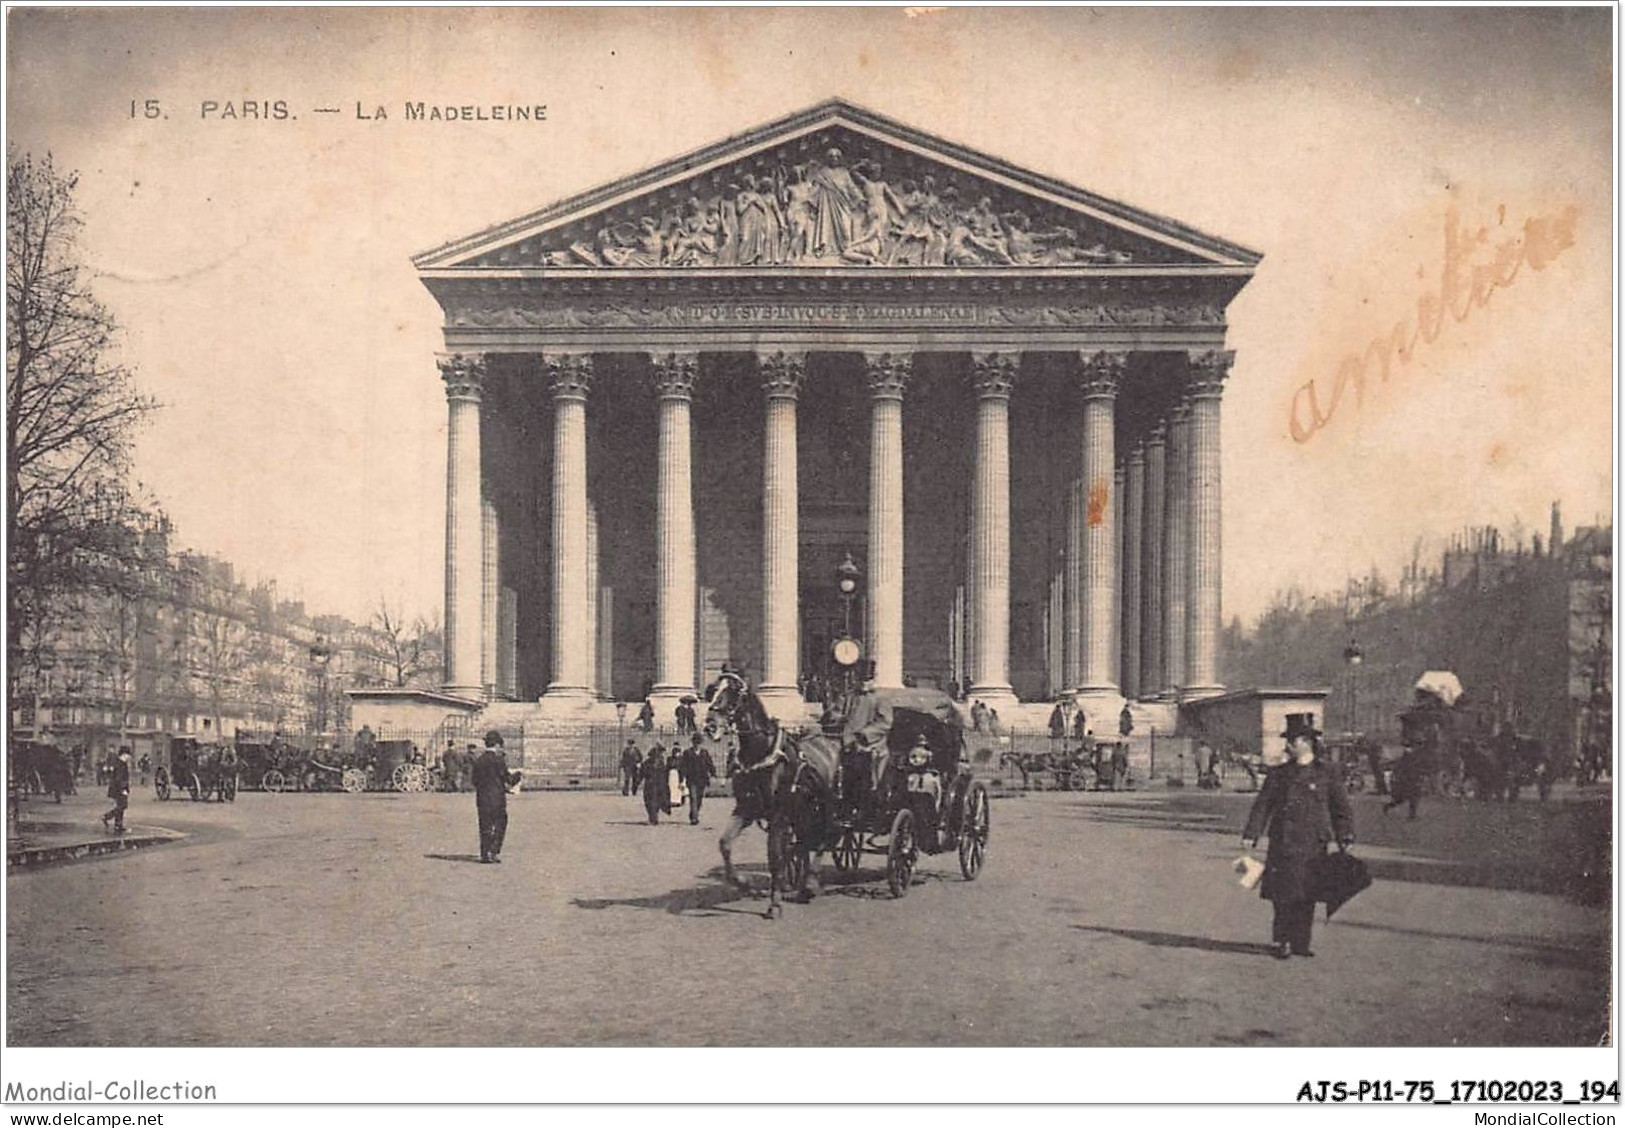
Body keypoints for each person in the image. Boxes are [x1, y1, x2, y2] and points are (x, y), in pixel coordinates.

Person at [1242, 714, 1354, 959]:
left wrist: (1344, 834)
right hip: (1283, 841)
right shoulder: (1279, 774)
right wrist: (1252, 833)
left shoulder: (1327, 773)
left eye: (1291, 741)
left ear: (1305, 741)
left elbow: (1340, 808)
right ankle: (1282, 940)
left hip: (1314, 843)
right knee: (1283, 895)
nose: (1287, 746)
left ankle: (1301, 942)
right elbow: (1263, 805)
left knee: (1308, 894)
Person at [471, 730, 520, 863]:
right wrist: (518, 775)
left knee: (484, 825)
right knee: (500, 824)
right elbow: (508, 779)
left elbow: (474, 780)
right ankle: (494, 851)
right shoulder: (498, 761)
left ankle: (484, 853)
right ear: (497, 744)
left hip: (482, 798)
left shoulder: (479, 760)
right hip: (497, 799)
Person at [680, 733, 716, 825]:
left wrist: (713, 774)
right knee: (693, 797)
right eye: (695, 742)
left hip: (702, 779)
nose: (697, 744)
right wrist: (682, 779)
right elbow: (683, 766)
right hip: (691, 779)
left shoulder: (704, 752)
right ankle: (694, 818)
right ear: (693, 743)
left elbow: (710, 764)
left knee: (699, 799)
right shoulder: (687, 753)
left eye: (699, 743)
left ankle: (694, 814)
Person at [101, 746, 132, 835]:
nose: (129, 757)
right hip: (119, 789)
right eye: (128, 755)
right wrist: (123, 789)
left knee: (121, 806)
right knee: (122, 806)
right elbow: (119, 778)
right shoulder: (121, 764)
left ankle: (118, 825)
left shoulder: (119, 763)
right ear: (124, 754)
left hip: (116, 788)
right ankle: (107, 817)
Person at [640, 743, 668, 826]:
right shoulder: (647, 763)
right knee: (649, 802)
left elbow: (665, 774)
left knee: (657, 802)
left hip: (659, 785)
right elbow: (642, 773)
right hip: (649, 785)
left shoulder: (662, 763)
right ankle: (652, 817)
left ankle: (654, 818)